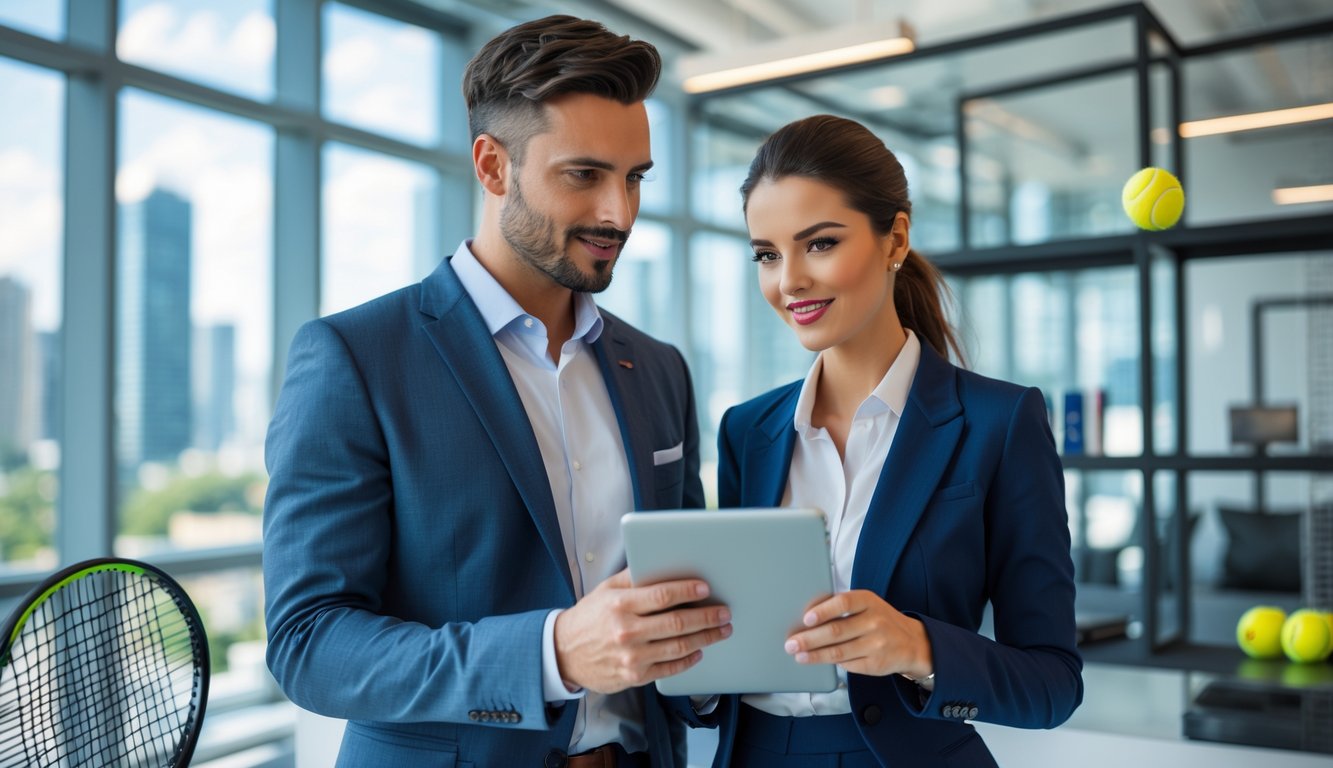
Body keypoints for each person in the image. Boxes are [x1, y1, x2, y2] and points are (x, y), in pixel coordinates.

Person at [262, 16, 731, 768]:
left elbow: (684, 589)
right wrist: (551, 655)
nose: (620, 212)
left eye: (635, 177)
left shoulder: (659, 367)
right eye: (584, 175)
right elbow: (309, 642)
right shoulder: (355, 357)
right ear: (491, 167)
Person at [687, 114, 1084, 767]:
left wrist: (916, 649)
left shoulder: (998, 422)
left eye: (818, 244)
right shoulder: (745, 431)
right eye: (766, 253)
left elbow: (1051, 686)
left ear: (894, 237)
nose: (787, 281)